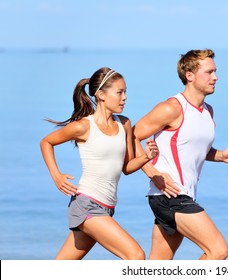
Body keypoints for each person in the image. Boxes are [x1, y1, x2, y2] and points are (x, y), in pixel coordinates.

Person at [133, 49, 228, 260]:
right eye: (209, 72)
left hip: (181, 195)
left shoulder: (207, 110)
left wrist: (220, 156)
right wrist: (152, 172)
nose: (216, 77)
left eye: (215, 71)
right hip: (171, 196)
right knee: (218, 250)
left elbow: (190, 147)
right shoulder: (172, 108)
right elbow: (130, 136)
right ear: (189, 75)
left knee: (158, 266)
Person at [40, 67, 158, 260]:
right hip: (87, 205)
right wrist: (56, 176)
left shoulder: (124, 124)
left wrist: (146, 157)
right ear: (101, 94)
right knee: (135, 256)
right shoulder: (84, 126)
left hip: (107, 207)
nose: (125, 97)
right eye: (119, 92)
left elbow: (126, 168)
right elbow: (46, 142)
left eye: (125, 92)